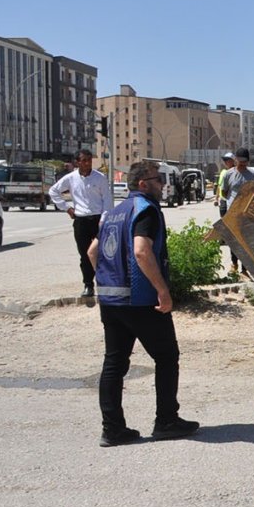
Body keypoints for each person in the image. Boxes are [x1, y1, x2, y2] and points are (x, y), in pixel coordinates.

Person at [88, 161, 199, 447]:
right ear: (142, 184)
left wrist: (107, 278)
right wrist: (162, 290)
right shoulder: (145, 209)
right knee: (166, 357)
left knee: (114, 363)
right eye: (158, 179)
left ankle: (112, 429)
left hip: (111, 299)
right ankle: (166, 420)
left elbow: (93, 252)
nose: (162, 184)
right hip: (140, 299)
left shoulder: (113, 213)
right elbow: (141, 250)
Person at [49, 149, 113, 298]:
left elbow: (107, 201)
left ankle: (105, 284)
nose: (87, 163)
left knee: (102, 253)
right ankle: (88, 285)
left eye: (89, 160)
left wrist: (103, 220)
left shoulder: (100, 178)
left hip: (98, 219)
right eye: (84, 160)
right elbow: (53, 191)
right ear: (77, 162)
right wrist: (67, 208)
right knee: (85, 255)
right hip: (81, 220)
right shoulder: (71, 178)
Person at [220, 148, 254, 275]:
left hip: (248, 212)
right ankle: (234, 264)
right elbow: (224, 192)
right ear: (235, 160)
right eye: (240, 161)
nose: (242, 164)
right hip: (233, 212)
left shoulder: (253, 173)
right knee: (234, 240)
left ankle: (245, 268)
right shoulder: (228, 174)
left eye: (245, 161)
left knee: (247, 241)